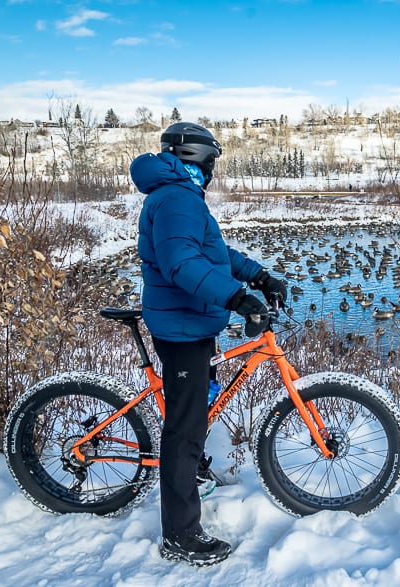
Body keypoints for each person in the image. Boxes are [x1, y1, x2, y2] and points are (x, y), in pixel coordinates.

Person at [129, 122, 287, 566]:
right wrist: (237, 297)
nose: (214, 168)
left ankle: (193, 473)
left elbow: (213, 254)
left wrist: (257, 275)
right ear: (197, 157)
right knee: (184, 428)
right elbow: (182, 264)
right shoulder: (177, 197)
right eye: (212, 159)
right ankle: (179, 534)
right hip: (181, 328)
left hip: (192, 322)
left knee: (200, 406)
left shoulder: (181, 194)